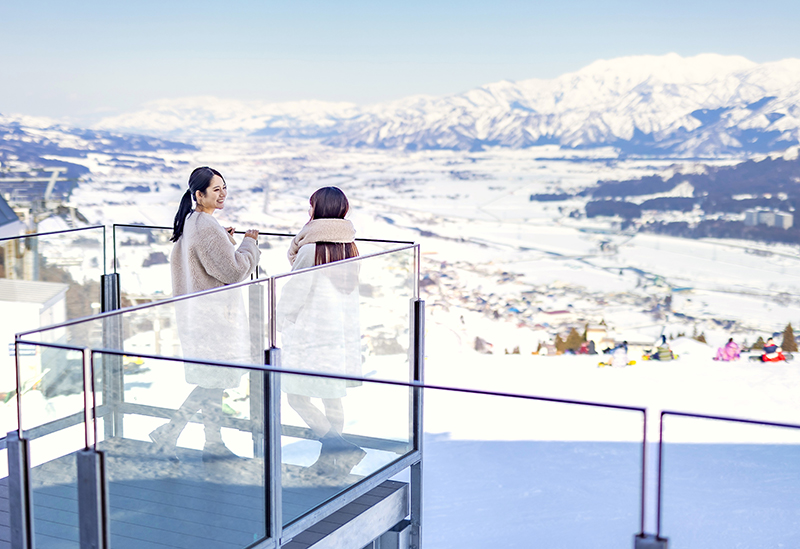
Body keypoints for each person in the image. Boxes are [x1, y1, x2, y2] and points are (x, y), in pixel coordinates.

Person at [149, 166, 261, 463]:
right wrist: (250, 243)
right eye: (216, 190)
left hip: (198, 316)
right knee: (212, 380)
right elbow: (235, 271)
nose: (222, 194)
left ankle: (211, 442)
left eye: (224, 188)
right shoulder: (206, 226)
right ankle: (172, 432)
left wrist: (224, 241)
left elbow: (206, 260)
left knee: (213, 382)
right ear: (199, 194)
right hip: (214, 320)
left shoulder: (192, 222)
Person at [277, 186, 364, 476]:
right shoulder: (349, 246)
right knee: (332, 398)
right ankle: (330, 464)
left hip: (311, 336)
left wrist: (278, 319)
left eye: (311, 206)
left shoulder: (312, 248)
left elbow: (295, 290)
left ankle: (342, 449)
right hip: (338, 336)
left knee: (296, 398)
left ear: (318, 210)